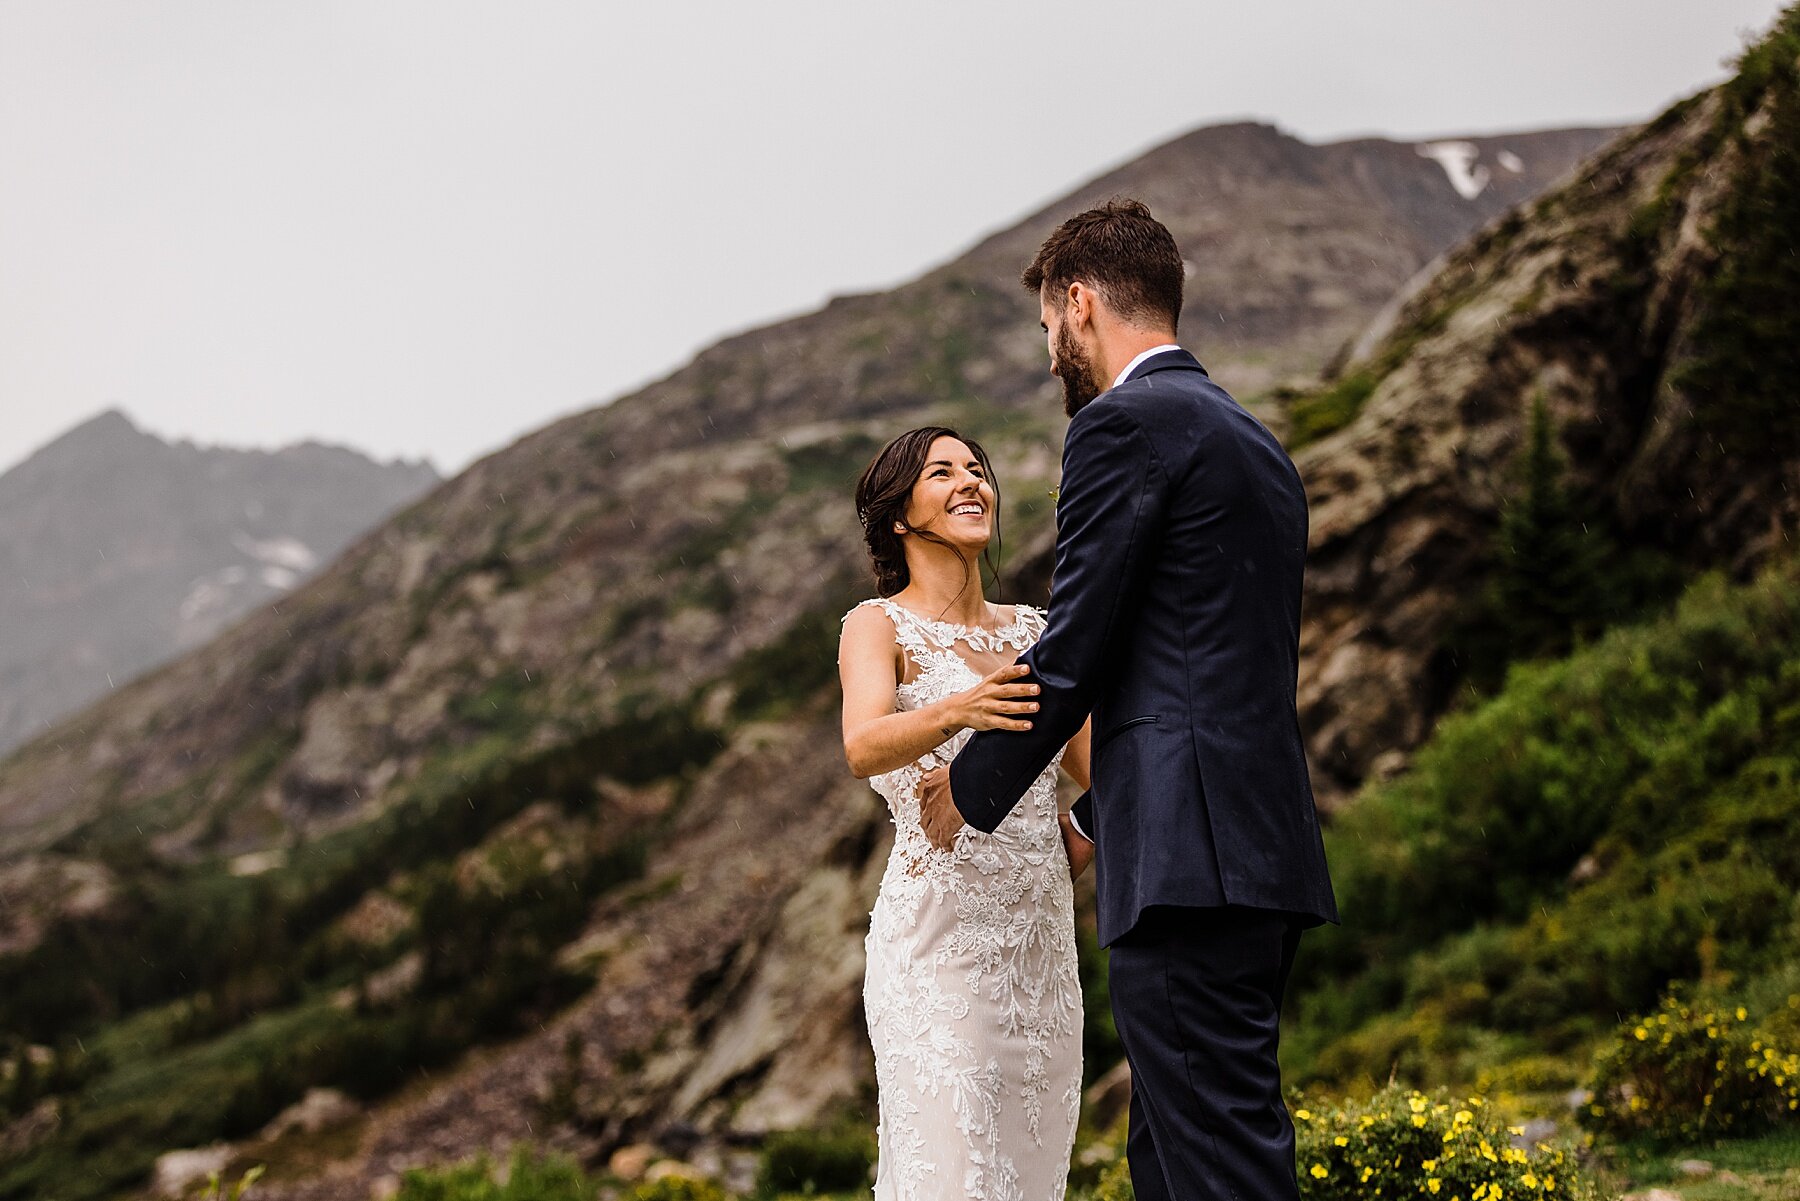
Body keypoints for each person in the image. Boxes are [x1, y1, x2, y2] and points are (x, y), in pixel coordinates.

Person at [917, 199, 1339, 1201]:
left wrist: (965, 789)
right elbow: (1211, 661)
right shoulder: (1257, 444)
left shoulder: (1123, 426)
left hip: (1189, 869)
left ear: (1080, 303)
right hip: (1253, 850)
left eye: (1048, 329)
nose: (1052, 350)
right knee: (1178, 1154)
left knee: (1217, 1170)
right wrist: (1102, 812)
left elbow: (1076, 649)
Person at [838, 425, 1095, 1200]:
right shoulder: (877, 626)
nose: (970, 482)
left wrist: (1080, 834)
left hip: (1043, 962)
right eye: (941, 472)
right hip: (937, 956)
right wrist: (962, 709)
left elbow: (1105, 774)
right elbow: (864, 744)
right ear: (898, 518)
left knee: (1032, 1178)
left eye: (976, 469)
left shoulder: (1038, 634)